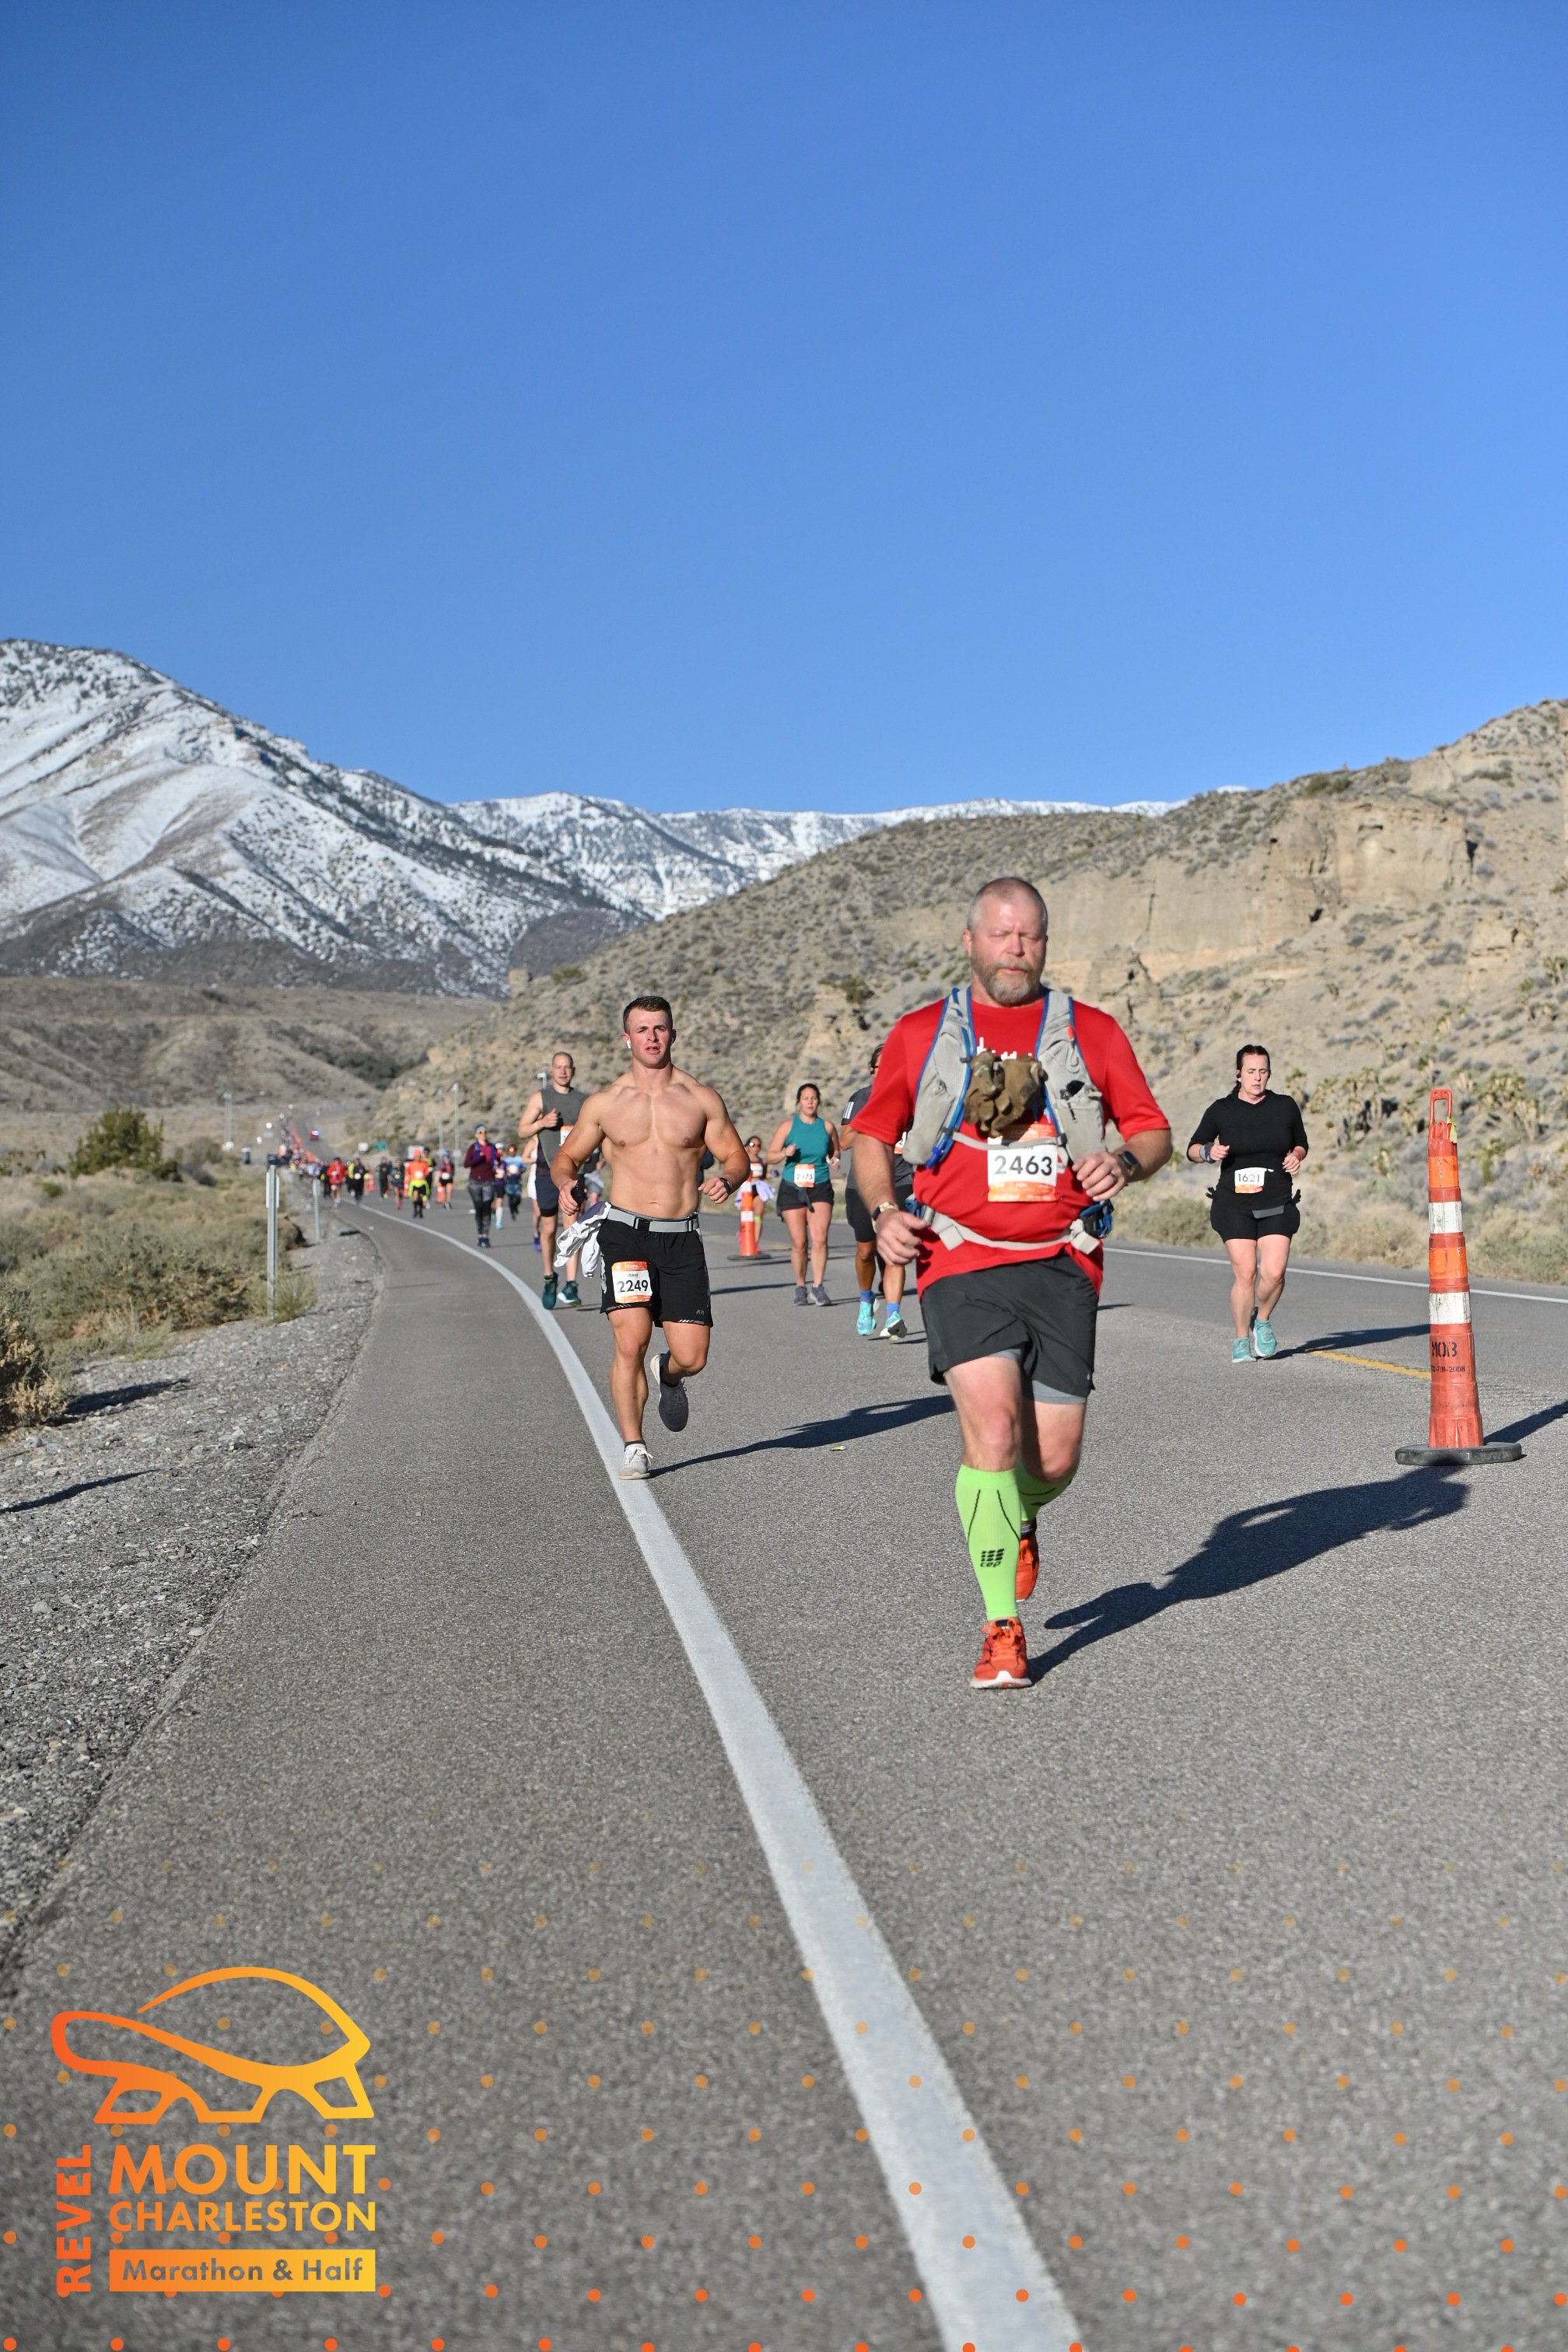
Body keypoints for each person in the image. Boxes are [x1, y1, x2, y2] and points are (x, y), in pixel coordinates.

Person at [852, 877, 1171, 1689]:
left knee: (1053, 1461)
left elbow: (1152, 1130)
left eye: (1028, 935)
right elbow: (872, 1134)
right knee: (992, 1432)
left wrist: (1125, 1162)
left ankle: (1021, 1513)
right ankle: (1002, 1629)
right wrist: (884, 1209)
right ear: (970, 941)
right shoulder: (923, 1033)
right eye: (1000, 934)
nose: (1015, 949)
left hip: (1065, 1260)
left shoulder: (1090, 1031)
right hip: (959, 1258)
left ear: (1046, 944)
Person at [551, 995, 748, 1480]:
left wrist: (729, 1179)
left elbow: (737, 1157)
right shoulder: (606, 1103)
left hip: (681, 1238)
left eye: (660, 1028)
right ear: (627, 1038)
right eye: (642, 1029)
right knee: (631, 1340)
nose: (652, 1037)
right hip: (626, 1234)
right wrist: (566, 1183)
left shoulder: (701, 1099)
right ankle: (634, 1445)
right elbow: (567, 1157)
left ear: (672, 1034)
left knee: (692, 1356)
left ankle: (668, 1375)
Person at [1188, 1045, 1309, 1361]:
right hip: (1234, 1205)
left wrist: (1296, 1156)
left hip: (1277, 1200)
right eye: (1251, 1071)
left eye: (1263, 1071)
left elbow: (1301, 1142)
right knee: (1246, 1274)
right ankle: (1241, 1339)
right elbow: (1193, 1147)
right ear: (1238, 1074)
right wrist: (1208, 1152)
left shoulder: (1285, 1106)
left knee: (1275, 1272)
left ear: (1269, 1073)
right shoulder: (1221, 1110)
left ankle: (1262, 1319)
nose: (1257, 1077)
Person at [842, 1047, 912, 1340]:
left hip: (902, 1180)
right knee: (866, 1251)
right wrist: (873, 1120)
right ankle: (866, 1298)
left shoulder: (911, 1097)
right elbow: (845, 1141)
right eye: (881, 1066)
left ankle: (894, 1314)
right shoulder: (860, 1098)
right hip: (864, 1184)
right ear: (872, 1070)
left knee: (895, 1248)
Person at [521, 1052, 587, 1310]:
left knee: (572, 1228)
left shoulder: (583, 1100)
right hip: (545, 1171)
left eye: (567, 1067)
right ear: (551, 1070)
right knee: (549, 1229)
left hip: (573, 1173)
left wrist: (598, 1156)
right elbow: (522, 1130)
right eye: (558, 1067)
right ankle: (550, 1276)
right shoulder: (541, 1097)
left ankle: (572, 1284)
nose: (563, 1071)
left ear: (573, 1070)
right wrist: (541, 1122)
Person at [765, 1083, 838, 1306]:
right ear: (799, 1102)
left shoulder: (827, 1127)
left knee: (820, 1238)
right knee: (799, 1243)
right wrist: (784, 1153)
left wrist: (835, 1159)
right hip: (793, 1186)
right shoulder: (788, 1126)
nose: (810, 1102)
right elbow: (769, 1156)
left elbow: (835, 1150)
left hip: (820, 1185)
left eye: (814, 1098)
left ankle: (818, 1286)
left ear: (818, 1101)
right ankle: (800, 1286)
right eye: (806, 1098)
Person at [464, 1124, 501, 1248]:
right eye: (480, 1132)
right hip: (475, 1182)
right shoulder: (473, 1148)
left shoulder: (492, 1147)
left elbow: (497, 1160)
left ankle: (485, 1236)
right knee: (479, 1208)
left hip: (488, 1181)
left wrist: (497, 1163)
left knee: (487, 1208)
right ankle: (480, 1234)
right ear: (476, 1135)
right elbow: (466, 1164)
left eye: (485, 1132)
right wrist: (478, 1159)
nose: (483, 1134)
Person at [406, 1145, 432, 1220]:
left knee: (421, 1197)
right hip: (414, 1183)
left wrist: (424, 1175)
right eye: (416, 1156)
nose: (417, 1157)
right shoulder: (411, 1164)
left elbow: (427, 1172)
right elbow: (407, 1172)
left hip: (422, 1182)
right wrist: (408, 1179)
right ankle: (415, 1210)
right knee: (415, 1197)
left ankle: (420, 1211)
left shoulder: (424, 1164)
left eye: (419, 1156)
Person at [502, 1147, 526, 1223]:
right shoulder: (506, 1160)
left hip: (517, 1181)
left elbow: (524, 1168)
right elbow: (502, 1168)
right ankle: (512, 1213)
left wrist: (520, 1171)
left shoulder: (519, 1159)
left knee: (518, 1198)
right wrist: (506, 1172)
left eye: (513, 1151)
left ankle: (515, 1206)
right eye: (510, 1151)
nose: (512, 1152)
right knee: (510, 1198)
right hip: (509, 1182)